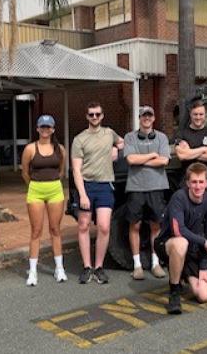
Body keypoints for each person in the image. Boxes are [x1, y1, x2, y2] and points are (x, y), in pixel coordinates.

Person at [154, 162, 207, 315]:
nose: (198, 186)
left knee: (204, 295)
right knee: (181, 243)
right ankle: (174, 292)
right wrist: (204, 242)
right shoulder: (179, 197)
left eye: (201, 182)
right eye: (194, 182)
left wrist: (203, 267)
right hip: (168, 244)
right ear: (188, 183)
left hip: (192, 250)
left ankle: (184, 273)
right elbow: (179, 231)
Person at [71, 102, 124, 285]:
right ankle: (87, 267)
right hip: (86, 185)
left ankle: (99, 266)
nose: (94, 117)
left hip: (104, 185)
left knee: (104, 227)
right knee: (84, 225)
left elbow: (122, 142)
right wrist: (83, 194)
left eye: (97, 114)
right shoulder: (79, 139)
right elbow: (76, 170)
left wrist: (117, 148)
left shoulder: (109, 133)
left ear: (102, 116)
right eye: (91, 114)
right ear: (87, 116)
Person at [173, 99, 207, 277]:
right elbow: (182, 155)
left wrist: (193, 152)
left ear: (206, 114)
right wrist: (204, 149)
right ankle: (188, 258)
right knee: (188, 220)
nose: (198, 117)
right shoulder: (182, 133)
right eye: (195, 114)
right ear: (190, 114)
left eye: (201, 114)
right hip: (187, 182)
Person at [123, 105, 169, 280]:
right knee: (134, 225)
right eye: (144, 116)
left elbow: (164, 160)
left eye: (149, 115)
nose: (146, 118)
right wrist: (152, 156)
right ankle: (137, 265)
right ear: (139, 118)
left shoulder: (162, 137)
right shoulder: (130, 137)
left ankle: (155, 263)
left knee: (156, 225)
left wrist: (140, 161)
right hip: (136, 188)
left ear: (154, 118)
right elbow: (130, 159)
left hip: (156, 187)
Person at [20, 115, 68, 286]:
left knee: (55, 229)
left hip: (55, 190)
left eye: (48, 127)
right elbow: (25, 172)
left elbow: (61, 171)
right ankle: (32, 271)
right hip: (36, 190)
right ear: (37, 129)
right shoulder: (30, 149)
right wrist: (34, 185)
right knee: (36, 231)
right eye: (42, 127)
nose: (45, 130)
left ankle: (59, 268)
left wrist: (54, 183)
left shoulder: (60, 149)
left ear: (53, 129)